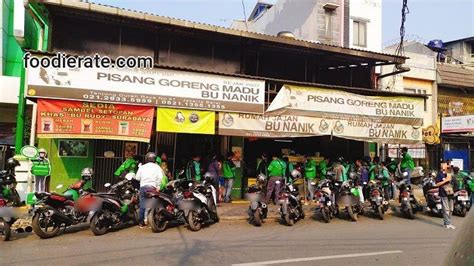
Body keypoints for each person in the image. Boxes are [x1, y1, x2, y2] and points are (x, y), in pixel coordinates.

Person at [135, 152, 163, 228]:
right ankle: (150, 222)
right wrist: (157, 185)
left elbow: (137, 178)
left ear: (146, 159)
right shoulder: (157, 167)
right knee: (151, 205)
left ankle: (141, 223)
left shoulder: (142, 167)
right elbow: (161, 177)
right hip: (152, 188)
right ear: (154, 159)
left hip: (143, 188)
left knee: (142, 205)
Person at [435, 162, 456, 229]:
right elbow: (437, 184)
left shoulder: (449, 173)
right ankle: (447, 223)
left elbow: (453, 182)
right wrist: (445, 180)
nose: (446, 166)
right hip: (443, 193)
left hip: (450, 193)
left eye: (446, 165)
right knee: (446, 209)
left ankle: (447, 222)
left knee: (451, 209)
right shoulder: (439, 174)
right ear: (442, 167)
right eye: (444, 165)